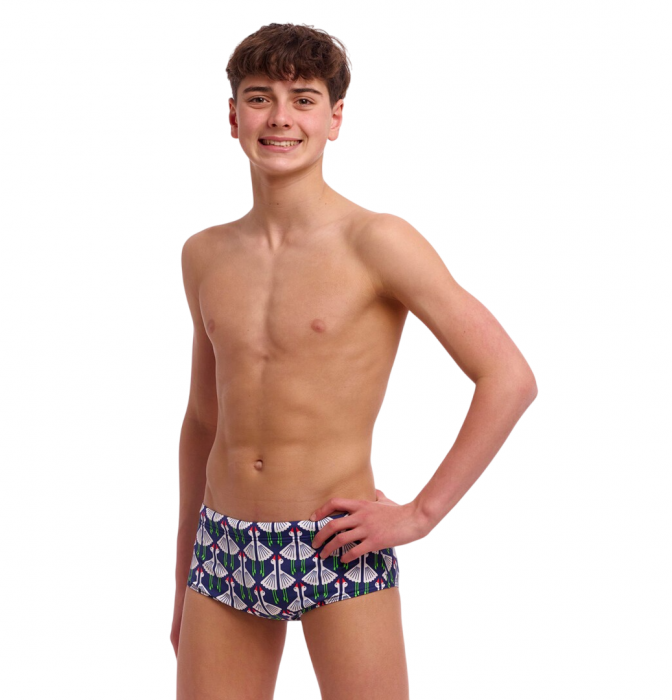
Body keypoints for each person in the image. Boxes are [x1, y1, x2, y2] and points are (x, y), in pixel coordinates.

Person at [173, 22, 537, 700]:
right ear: (232, 116)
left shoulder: (377, 241)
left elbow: (508, 377)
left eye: (303, 99)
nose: (280, 118)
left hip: (337, 544)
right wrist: (181, 579)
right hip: (222, 546)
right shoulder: (204, 254)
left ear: (335, 118)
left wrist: (420, 514)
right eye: (260, 97)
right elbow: (202, 420)